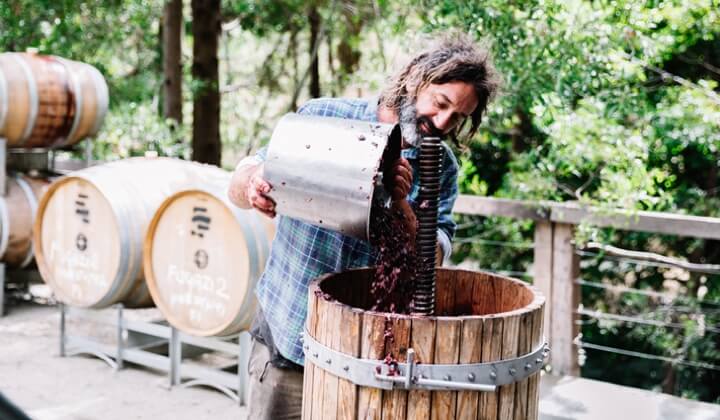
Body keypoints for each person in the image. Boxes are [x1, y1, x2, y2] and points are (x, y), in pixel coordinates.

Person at [228, 32, 500, 419]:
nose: (442, 122)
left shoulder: (441, 168)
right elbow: (240, 182)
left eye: (458, 117)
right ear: (415, 79)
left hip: (368, 357)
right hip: (288, 337)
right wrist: (253, 184)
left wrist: (400, 205)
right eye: (440, 104)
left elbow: (434, 257)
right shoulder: (326, 116)